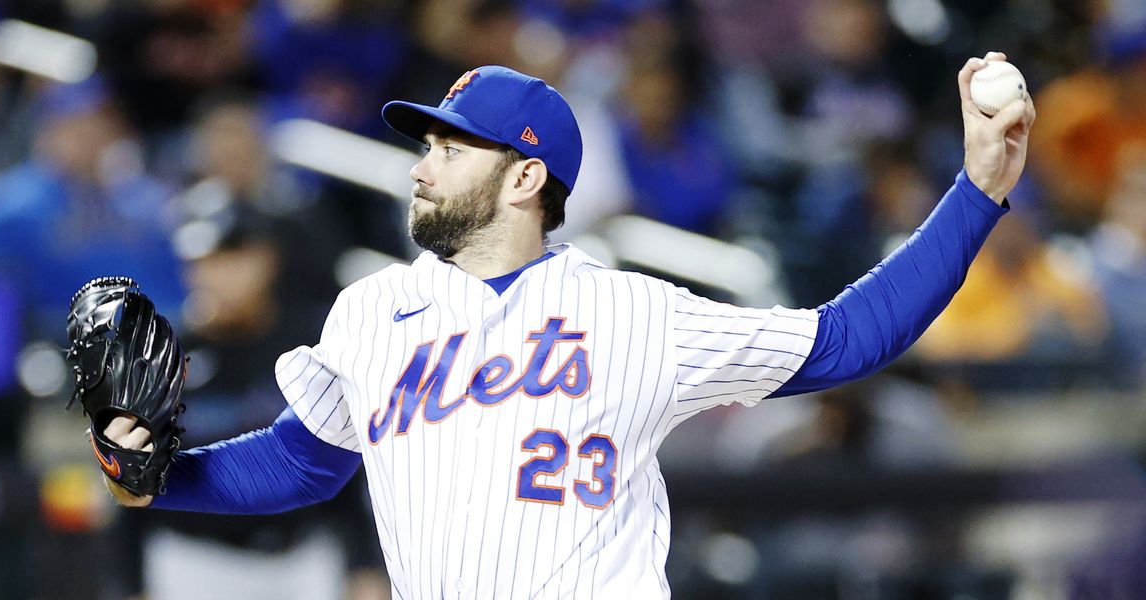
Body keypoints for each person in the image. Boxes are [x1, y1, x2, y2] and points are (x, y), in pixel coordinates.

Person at [93, 54, 1034, 598]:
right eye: (426, 143)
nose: (422, 165)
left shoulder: (636, 311)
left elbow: (841, 341)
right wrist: (159, 482)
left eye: (451, 146)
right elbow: (302, 462)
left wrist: (978, 190)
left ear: (526, 177)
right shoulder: (372, 311)